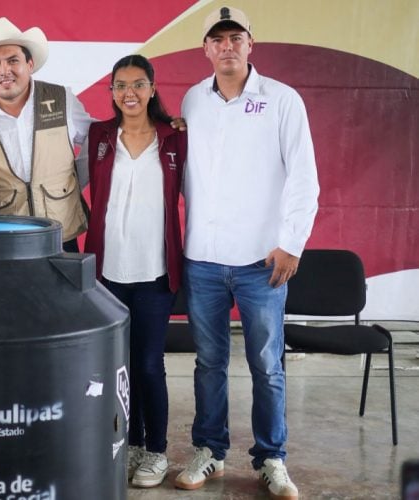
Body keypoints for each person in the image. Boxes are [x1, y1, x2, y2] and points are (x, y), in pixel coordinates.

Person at [174, 7, 319, 500]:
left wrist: (292, 243)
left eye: (236, 37)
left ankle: (271, 458)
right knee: (209, 362)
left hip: (263, 261)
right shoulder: (193, 99)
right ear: (206, 49)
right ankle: (210, 451)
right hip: (204, 258)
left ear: (250, 44)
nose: (227, 46)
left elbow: (304, 177)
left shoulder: (282, 99)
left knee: (267, 365)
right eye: (218, 39)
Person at [84, 54, 185, 489]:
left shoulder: (174, 138)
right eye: (121, 85)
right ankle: (132, 444)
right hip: (109, 273)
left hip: (155, 271)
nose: (130, 93)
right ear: (111, 91)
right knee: (119, 366)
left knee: (148, 364)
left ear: (152, 88)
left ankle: (157, 451)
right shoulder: (100, 135)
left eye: (138, 84)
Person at [0, 17, 92, 252]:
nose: (4, 71)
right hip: (1, 240)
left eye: (13, 60)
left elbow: (99, 138)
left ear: (30, 64)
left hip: (60, 234)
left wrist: (74, 178)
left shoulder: (62, 100)